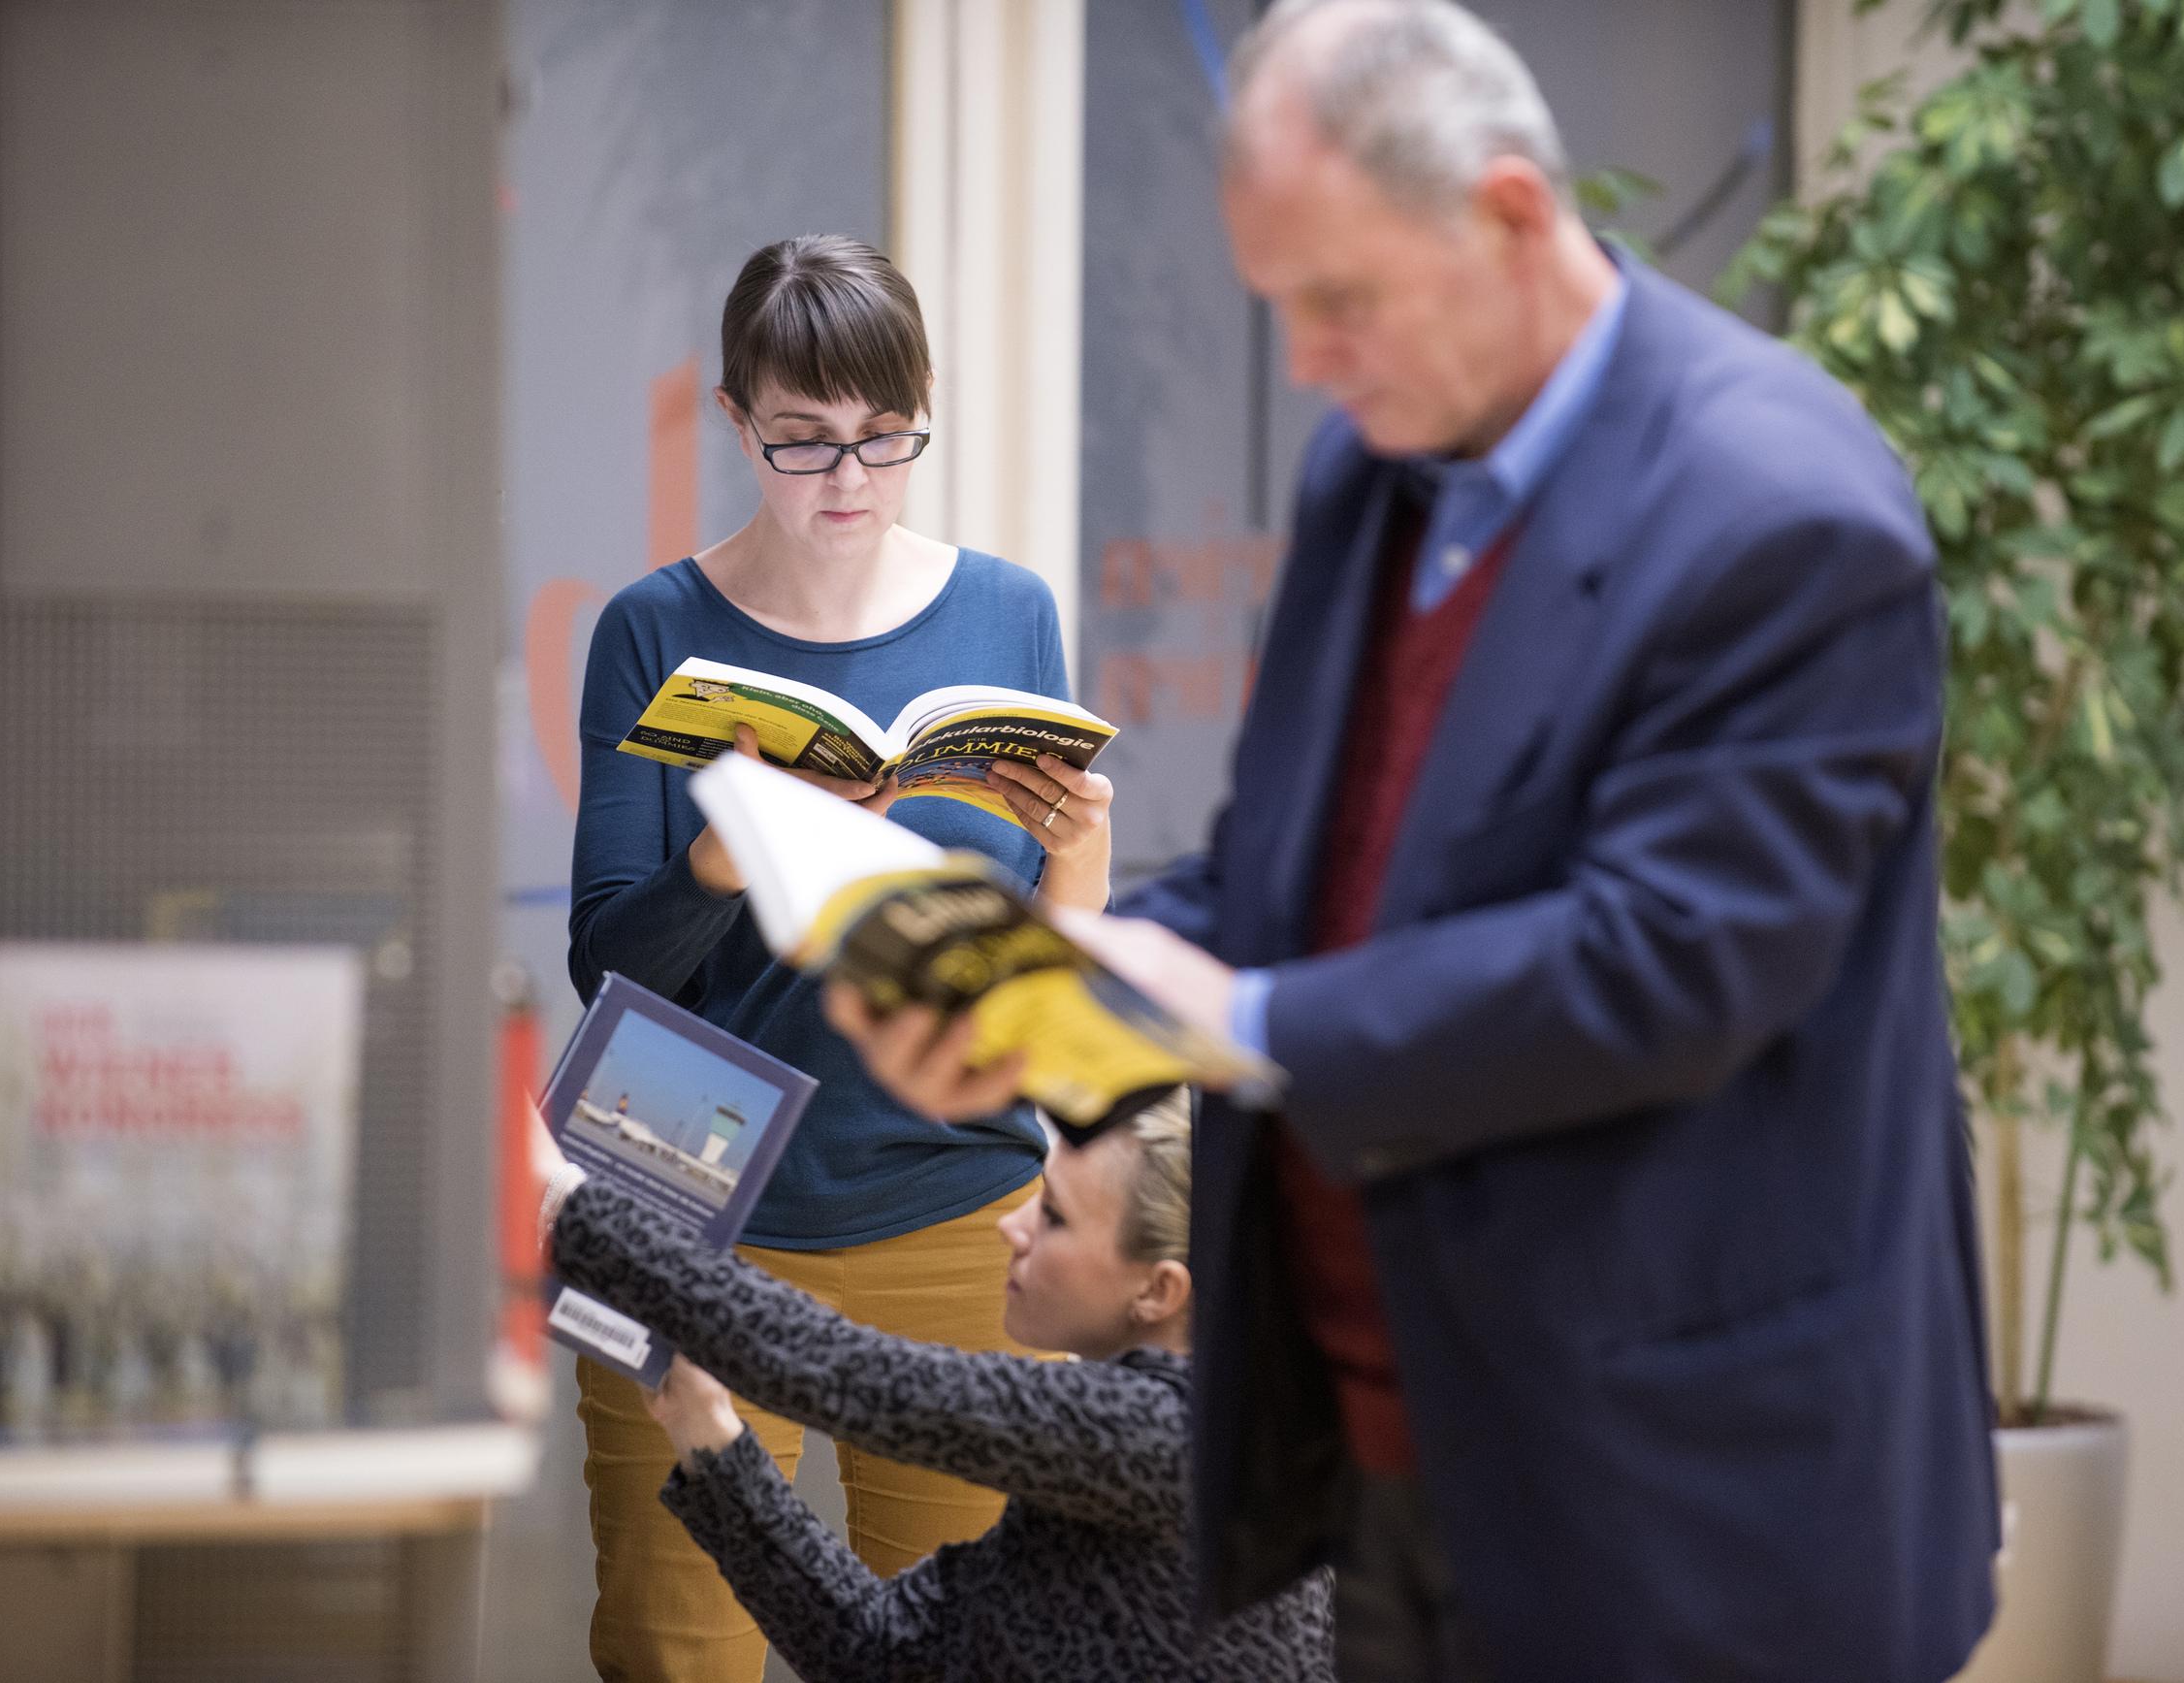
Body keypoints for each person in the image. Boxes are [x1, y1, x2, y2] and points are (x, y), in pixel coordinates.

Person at [823, 4, 2001, 1679]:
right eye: (1281, 303)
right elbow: (1287, 872)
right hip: (1404, 1457)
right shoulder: (1373, 470)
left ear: (1509, 215)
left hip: (1698, 1499)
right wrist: (1050, 991)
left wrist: (1240, 1020)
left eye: (1341, 299)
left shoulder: (1784, 512)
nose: (1307, 358)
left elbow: (1662, 969)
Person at [566, 233, 1116, 1682]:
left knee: (977, 1649)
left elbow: (1042, 993)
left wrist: (1079, 863)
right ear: (735, 419)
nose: (850, 478)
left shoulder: (1008, 613)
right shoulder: (651, 629)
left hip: (952, 1196)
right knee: (676, 1645)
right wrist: (726, 855)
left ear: (923, 410)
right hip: (687, 1199)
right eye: (803, 440)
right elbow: (604, 968)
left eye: (885, 436)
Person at [539, 1093, 1333, 1681]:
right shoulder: (1135, 1442)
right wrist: (712, 1438)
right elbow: (883, 1655)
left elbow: (838, 1369)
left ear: (1160, 1290)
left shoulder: (1173, 1435)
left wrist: (564, 1204)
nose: (1012, 1225)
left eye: (1055, 1217)